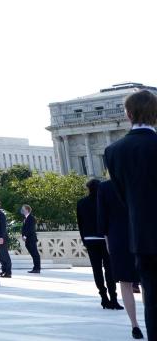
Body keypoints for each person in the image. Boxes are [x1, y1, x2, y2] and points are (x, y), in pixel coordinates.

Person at [103, 89, 157, 340]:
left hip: (142, 236)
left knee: (153, 300)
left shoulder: (114, 151)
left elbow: (124, 196)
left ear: (128, 114)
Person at [99, 177, 144, 338]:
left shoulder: (105, 188)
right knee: (148, 281)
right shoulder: (139, 180)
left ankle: (135, 325)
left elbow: (102, 219)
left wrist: (108, 241)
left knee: (125, 284)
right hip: (143, 234)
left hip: (118, 237)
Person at [78, 179, 121, 309]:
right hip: (104, 239)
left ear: (88, 188)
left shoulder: (81, 203)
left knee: (96, 269)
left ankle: (103, 298)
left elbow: (80, 224)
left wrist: (84, 239)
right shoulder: (103, 201)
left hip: (90, 239)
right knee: (109, 269)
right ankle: (113, 298)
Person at [0, 199, 12, 278]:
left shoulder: (1, 214)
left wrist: (1, 238)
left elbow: (3, 227)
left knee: (5, 255)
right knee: (0, 255)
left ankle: (8, 272)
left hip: (1, 238)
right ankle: (4, 270)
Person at [21, 204, 40, 273]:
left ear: (27, 210)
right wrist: (23, 235)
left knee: (35, 254)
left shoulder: (31, 218)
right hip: (27, 239)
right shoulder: (25, 218)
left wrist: (25, 236)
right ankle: (35, 268)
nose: (22, 210)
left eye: (23, 209)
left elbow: (31, 229)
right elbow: (24, 229)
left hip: (31, 239)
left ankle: (37, 268)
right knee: (33, 254)